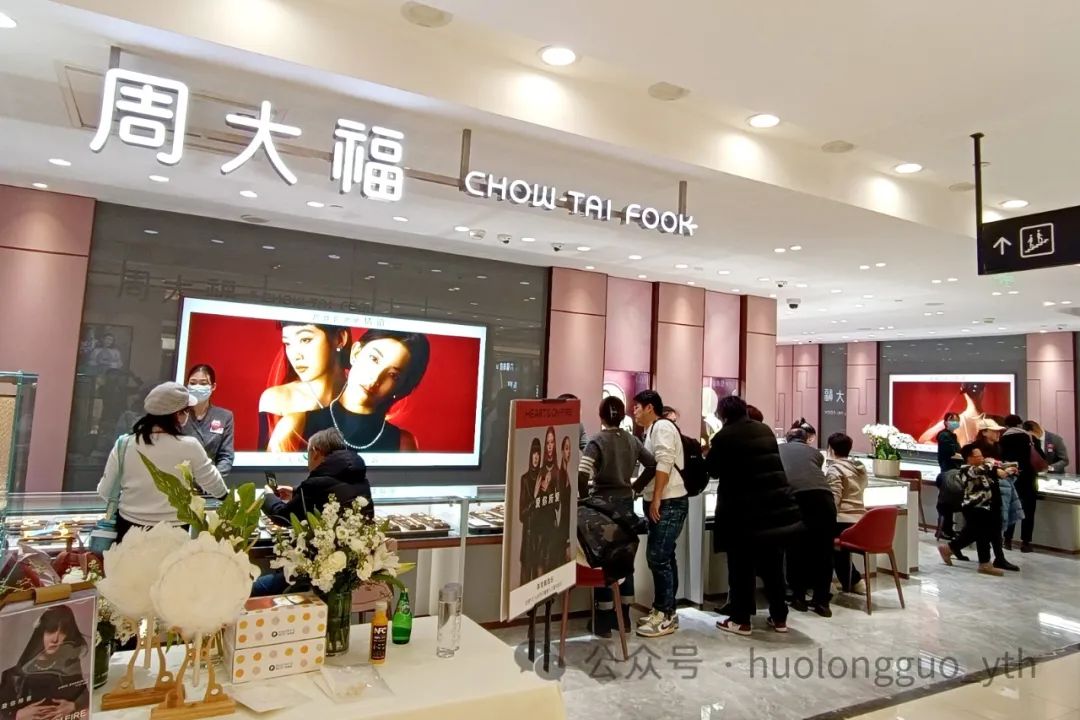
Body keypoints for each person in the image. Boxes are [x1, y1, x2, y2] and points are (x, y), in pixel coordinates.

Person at [707, 395, 802, 637]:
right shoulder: (765, 430)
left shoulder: (724, 437)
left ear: (723, 415)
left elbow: (713, 470)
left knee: (741, 569)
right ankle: (779, 618)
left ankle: (741, 620)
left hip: (743, 515)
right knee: (773, 568)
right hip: (775, 511)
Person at [97, 382, 228, 542]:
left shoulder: (124, 444)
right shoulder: (190, 446)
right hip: (174, 530)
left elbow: (105, 491)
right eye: (186, 411)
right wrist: (226, 498)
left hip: (129, 528)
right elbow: (213, 483)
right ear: (177, 414)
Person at [253, 428, 374, 596]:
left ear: (316, 452)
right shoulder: (359, 478)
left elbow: (282, 516)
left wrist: (267, 496)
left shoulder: (315, 483)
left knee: (252, 589)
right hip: (351, 571)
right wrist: (296, 492)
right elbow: (331, 492)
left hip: (317, 574)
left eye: (307, 454)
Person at [269, 329, 430, 453]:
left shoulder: (403, 444)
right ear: (356, 353)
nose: (375, 378)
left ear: (402, 387)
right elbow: (269, 483)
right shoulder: (295, 426)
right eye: (374, 359)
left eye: (393, 375)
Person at [578, 396, 656, 636]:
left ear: (601, 416)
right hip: (626, 506)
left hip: (601, 508)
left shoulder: (597, 440)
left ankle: (603, 619)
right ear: (623, 416)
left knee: (603, 560)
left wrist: (586, 499)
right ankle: (625, 618)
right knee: (624, 559)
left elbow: (582, 474)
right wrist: (635, 488)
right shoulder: (632, 440)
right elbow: (652, 465)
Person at [631, 390, 688, 638]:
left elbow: (664, 462)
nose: (634, 411)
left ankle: (665, 615)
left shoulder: (662, 427)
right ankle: (664, 609)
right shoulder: (651, 430)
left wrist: (656, 498)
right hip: (662, 500)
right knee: (664, 556)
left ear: (649, 408)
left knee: (658, 557)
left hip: (669, 501)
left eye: (637, 407)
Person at [258, 322, 351, 448]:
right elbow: (267, 460)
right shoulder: (278, 400)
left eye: (305, 340)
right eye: (288, 343)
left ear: (340, 338)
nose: (296, 356)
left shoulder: (364, 392)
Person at [779, 427, 836, 617]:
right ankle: (822, 602)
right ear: (806, 440)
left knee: (796, 549)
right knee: (824, 551)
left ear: (787, 439)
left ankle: (798, 597)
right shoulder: (816, 453)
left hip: (798, 498)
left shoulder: (779, 450)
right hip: (825, 498)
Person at [938, 444, 1019, 575]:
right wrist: (990, 463)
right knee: (978, 534)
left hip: (986, 506)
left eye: (982, 456)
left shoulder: (983, 469)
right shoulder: (966, 470)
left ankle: (952, 550)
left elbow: (991, 476)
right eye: (978, 456)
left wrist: (1007, 471)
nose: (981, 458)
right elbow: (979, 471)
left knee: (977, 534)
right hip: (974, 506)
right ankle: (982, 562)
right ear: (969, 458)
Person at [0, 605, 89, 720]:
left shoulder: (69, 665)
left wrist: (74, 705)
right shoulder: (13, 675)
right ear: (40, 632)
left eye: (63, 632)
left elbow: (84, 693)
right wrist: (18, 715)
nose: (55, 639)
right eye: (50, 630)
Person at [824, 433, 871, 591]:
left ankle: (824, 583)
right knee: (838, 549)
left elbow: (834, 498)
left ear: (830, 449)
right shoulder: (859, 468)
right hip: (860, 521)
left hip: (842, 519)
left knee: (820, 539)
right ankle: (853, 581)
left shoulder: (835, 470)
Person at [182, 364, 235, 480]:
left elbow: (226, 456)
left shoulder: (224, 416)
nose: (197, 387)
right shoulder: (178, 414)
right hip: (178, 481)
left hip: (210, 481)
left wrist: (213, 480)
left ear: (213, 386)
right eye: (193, 383)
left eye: (203, 383)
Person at [1000, 414, 1043, 553]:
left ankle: (1007, 540)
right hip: (1029, 477)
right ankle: (1026, 542)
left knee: (1011, 507)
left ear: (1006, 425)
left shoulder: (1003, 439)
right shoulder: (1030, 438)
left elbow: (1000, 458)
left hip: (1011, 476)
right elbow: (1041, 456)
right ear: (1020, 424)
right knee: (1029, 510)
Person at [518, 437, 545, 582]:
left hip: (540, 536)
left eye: (538, 453)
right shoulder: (525, 479)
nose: (536, 457)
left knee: (538, 579)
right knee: (525, 577)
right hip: (528, 537)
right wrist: (534, 500)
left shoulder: (544, 479)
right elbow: (521, 515)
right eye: (534, 453)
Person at [935, 412, 963, 539]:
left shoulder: (952, 436)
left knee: (950, 501)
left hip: (953, 471)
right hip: (948, 472)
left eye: (957, 420)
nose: (955, 422)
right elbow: (951, 453)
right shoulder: (944, 436)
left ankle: (948, 529)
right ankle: (945, 529)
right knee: (947, 501)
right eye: (952, 420)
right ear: (945, 422)